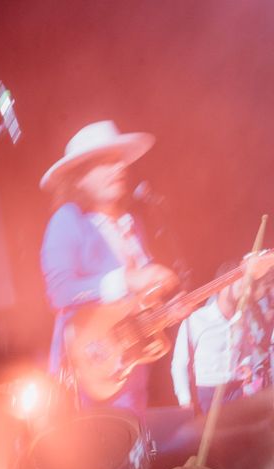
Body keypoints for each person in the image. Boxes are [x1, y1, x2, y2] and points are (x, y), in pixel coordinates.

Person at [39, 120, 179, 414]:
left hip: (128, 378)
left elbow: (137, 306)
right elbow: (60, 292)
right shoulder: (67, 220)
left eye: (118, 162)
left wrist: (159, 322)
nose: (118, 169)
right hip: (86, 381)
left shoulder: (132, 225)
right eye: (105, 163)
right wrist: (128, 280)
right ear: (78, 178)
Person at [171, 261, 273, 413]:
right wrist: (185, 402)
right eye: (242, 285)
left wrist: (247, 366)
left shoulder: (242, 318)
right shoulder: (196, 319)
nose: (247, 290)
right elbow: (179, 364)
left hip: (235, 389)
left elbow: (245, 350)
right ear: (225, 284)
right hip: (207, 393)